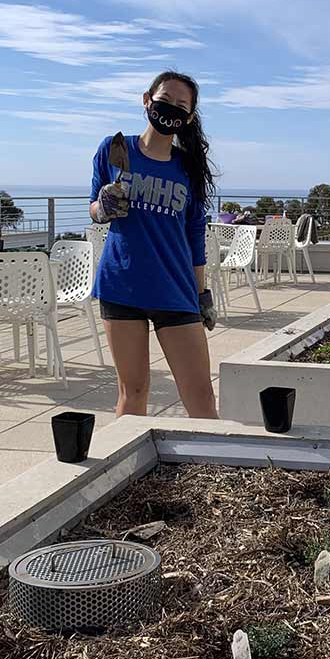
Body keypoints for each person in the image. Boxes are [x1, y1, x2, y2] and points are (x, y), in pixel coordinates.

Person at [90, 71, 219, 420]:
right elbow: (95, 211)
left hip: (174, 289)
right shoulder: (115, 150)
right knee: (133, 393)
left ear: (189, 117)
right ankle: (125, 471)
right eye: (165, 99)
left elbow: (194, 233)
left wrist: (201, 292)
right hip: (122, 285)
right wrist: (103, 205)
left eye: (181, 105)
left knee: (201, 397)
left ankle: (211, 468)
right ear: (147, 100)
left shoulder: (187, 168)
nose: (170, 109)